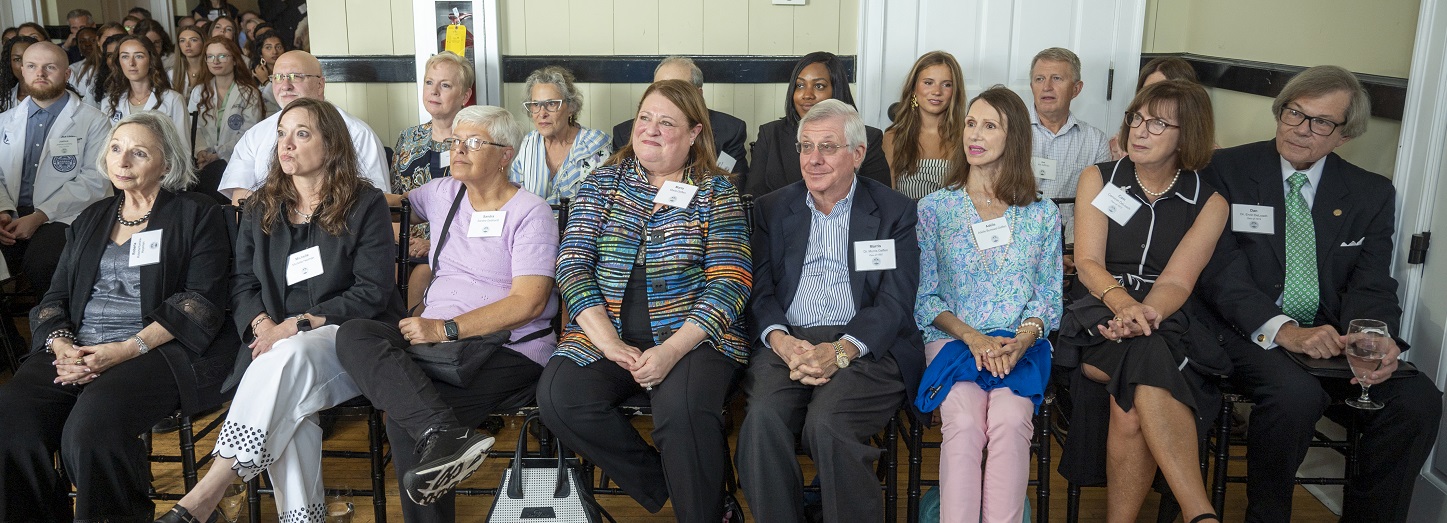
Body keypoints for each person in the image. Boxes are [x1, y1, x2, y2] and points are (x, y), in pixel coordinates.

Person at [1196, 65, 1443, 523]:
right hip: (1246, 330)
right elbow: (1219, 274)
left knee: (1418, 401)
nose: (1300, 130)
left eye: (1320, 122)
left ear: (1344, 136)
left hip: (1331, 340)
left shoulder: (1370, 193)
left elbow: (1371, 283)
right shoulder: (1225, 170)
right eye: (1294, 113)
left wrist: (1375, 337)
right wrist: (1285, 330)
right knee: (1295, 395)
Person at [162, 98, 404, 523]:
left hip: (350, 337)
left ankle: (211, 489)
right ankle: (302, 518)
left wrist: (295, 325)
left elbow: (372, 290)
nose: (285, 145)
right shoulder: (260, 206)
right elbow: (243, 283)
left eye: (302, 134)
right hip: (271, 343)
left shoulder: (366, 203)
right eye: (281, 134)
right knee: (291, 406)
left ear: (331, 145)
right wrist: (262, 325)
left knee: (286, 358)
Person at [0, 111, 237, 522]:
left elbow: (200, 301)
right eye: (115, 149)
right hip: (77, 348)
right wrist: (62, 346)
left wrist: (125, 349)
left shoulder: (196, 213)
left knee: (90, 430)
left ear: (167, 163)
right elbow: (54, 297)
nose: (122, 161)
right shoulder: (91, 218)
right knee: (11, 420)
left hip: (155, 349)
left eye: (139, 152)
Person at [536, 79, 751, 522]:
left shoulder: (716, 191)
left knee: (683, 412)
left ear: (694, 133)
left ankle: (702, 511)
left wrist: (672, 350)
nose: (650, 129)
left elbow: (731, 281)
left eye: (666, 122)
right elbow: (572, 267)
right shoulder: (601, 184)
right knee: (560, 398)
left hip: (694, 339)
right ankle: (676, 486)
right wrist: (609, 343)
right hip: (605, 331)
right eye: (644, 118)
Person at [336, 104, 559, 520]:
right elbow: (387, 204)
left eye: (473, 142)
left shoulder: (531, 212)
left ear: (505, 153)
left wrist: (445, 328)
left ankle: (435, 430)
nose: (459, 150)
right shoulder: (442, 193)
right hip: (435, 344)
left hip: (508, 348)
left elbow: (527, 302)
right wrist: (331, 184)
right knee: (354, 333)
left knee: (405, 418)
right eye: (455, 142)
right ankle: (441, 432)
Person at [736, 99, 923, 522]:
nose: (813, 159)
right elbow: (760, 292)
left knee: (828, 424)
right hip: (790, 340)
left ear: (857, 155)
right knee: (762, 423)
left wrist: (840, 351)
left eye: (828, 147)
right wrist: (782, 342)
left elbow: (895, 302)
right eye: (805, 147)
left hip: (866, 344)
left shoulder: (894, 211)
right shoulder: (771, 208)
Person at [1057, 80, 1227, 523]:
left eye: (1157, 123)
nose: (1140, 130)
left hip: (1162, 314)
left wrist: (1145, 312)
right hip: (1097, 306)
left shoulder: (1209, 203)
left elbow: (1176, 281)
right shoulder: (1098, 176)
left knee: (1130, 403)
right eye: (1137, 118)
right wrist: (1121, 304)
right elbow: (1089, 262)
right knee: (1146, 353)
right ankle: (1199, 512)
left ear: (1185, 135)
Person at [913, 87, 1061, 522]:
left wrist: (1022, 339)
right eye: (971, 123)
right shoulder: (935, 209)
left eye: (989, 126)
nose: (974, 135)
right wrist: (973, 337)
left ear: (1013, 138)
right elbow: (925, 298)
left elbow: (1049, 295)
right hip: (953, 340)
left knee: (1011, 421)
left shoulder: (1040, 213)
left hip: (1020, 345)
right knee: (963, 424)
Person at [0, 42, 111, 297]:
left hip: (67, 215)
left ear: (66, 74)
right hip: (12, 212)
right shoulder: (4, 122)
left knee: (41, 263)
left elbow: (94, 181)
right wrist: (4, 211)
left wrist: (39, 216)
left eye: (49, 67)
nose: (40, 73)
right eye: (31, 66)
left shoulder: (94, 121)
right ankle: (10, 336)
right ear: (22, 71)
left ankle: (54, 326)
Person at [218, 50, 389, 204]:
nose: (285, 85)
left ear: (320, 85)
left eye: (295, 76)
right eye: (278, 77)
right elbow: (241, 200)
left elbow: (377, 203)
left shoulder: (357, 133)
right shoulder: (254, 135)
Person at [746, 52, 891, 197]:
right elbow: (752, 200)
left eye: (819, 86)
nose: (807, 94)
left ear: (837, 90)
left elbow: (881, 202)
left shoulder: (868, 137)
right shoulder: (770, 134)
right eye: (800, 85)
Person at [391, 51, 473, 307]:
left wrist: (432, 243)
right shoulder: (408, 138)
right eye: (429, 83)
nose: (434, 91)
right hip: (404, 244)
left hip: (456, 250)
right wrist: (403, 239)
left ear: (465, 96)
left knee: (422, 276)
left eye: (445, 85)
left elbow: (484, 208)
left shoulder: (474, 143)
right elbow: (394, 201)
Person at [611, 56, 750, 177]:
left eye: (678, 90)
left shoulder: (730, 130)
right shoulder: (625, 132)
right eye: (660, 87)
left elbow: (734, 184)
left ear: (698, 94)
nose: (666, 96)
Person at [1028, 47, 1112, 247]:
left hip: (1071, 246)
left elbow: (1097, 207)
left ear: (1076, 89)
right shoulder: (1008, 132)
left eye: (1056, 78)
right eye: (1039, 79)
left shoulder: (1095, 141)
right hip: (1017, 246)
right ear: (1031, 86)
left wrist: (1073, 250)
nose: (1047, 87)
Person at [508, 65, 610, 205]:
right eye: (535, 105)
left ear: (571, 107)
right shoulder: (528, 143)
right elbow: (515, 199)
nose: (542, 113)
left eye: (551, 104)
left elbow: (602, 204)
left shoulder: (594, 145)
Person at [883, 50, 967, 199]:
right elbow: (887, 199)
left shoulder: (967, 137)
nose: (936, 91)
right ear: (914, 88)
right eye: (928, 83)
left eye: (946, 85)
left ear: (955, 92)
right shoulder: (893, 138)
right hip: (908, 221)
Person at [190, 36, 264, 170]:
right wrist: (201, 151)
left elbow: (248, 133)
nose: (216, 61)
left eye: (222, 56)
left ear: (235, 60)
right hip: (202, 161)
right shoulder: (199, 91)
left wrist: (219, 154)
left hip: (237, 161)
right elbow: (194, 127)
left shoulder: (249, 93)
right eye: (210, 56)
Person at [102, 35, 188, 145]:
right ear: (118, 62)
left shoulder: (173, 99)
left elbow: (184, 149)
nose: (131, 63)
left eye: (138, 56)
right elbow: (106, 149)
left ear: (151, 60)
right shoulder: (110, 102)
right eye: (125, 56)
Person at [1110, 57, 1199, 159]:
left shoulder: (1211, 158)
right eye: (1147, 91)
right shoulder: (1117, 145)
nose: (1152, 99)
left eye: (1161, 93)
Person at [1, 36, 37, 113]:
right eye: (17, 59)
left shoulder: (58, 96)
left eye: (30, 57)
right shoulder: (3, 100)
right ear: (9, 63)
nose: (24, 64)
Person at [66, 26, 102, 101]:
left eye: (92, 40)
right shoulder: (73, 68)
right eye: (82, 41)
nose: (87, 44)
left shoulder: (108, 65)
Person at [171, 26, 207, 97]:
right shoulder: (171, 74)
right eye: (182, 40)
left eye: (193, 40)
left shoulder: (213, 70)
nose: (187, 45)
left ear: (203, 42)